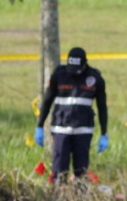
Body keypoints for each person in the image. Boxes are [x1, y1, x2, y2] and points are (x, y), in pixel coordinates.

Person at [34, 47, 109, 184]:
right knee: (59, 173)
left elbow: (102, 107)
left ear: (85, 64)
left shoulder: (95, 78)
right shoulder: (59, 75)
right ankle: (59, 200)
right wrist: (39, 125)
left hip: (83, 131)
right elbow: (47, 101)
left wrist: (104, 133)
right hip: (61, 130)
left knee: (81, 173)